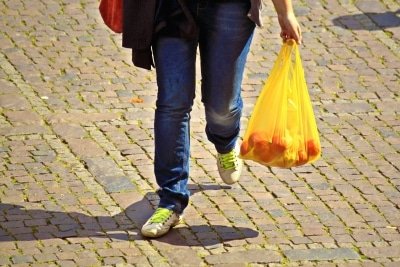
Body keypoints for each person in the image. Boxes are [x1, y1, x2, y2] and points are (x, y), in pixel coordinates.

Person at [123, 0, 302, 238]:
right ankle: (170, 200)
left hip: (230, 7)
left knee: (222, 107)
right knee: (172, 103)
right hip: (170, 6)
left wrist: (285, 12)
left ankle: (226, 141)